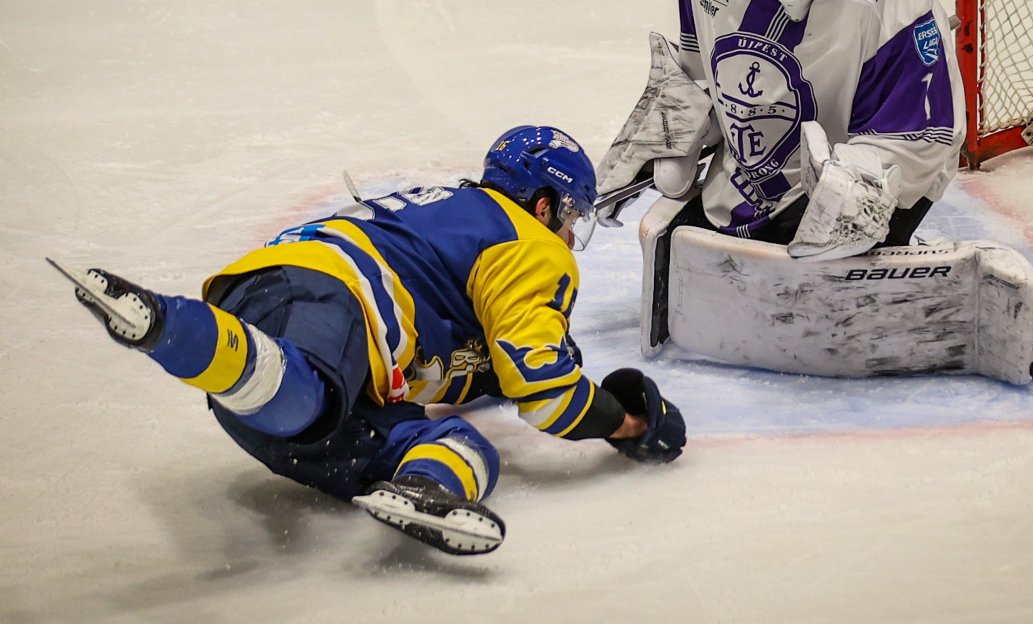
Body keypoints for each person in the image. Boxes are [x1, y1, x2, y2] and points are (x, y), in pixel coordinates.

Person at [55, 125, 686, 556]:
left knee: (439, 441)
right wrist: (625, 422)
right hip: (333, 294)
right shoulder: (530, 243)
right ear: (544, 205)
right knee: (306, 384)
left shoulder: (458, 221)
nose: (571, 236)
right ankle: (167, 324)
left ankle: (423, 488)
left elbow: (487, 362)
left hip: (274, 328)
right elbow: (543, 391)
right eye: (572, 215)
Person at [594, 0, 1033, 384]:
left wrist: (856, 184)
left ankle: (1008, 321)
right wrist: (672, 124)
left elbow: (932, 131)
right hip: (760, 168)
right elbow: (701, 64)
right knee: (716, 247)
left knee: (824, 268)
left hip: (864, 154)